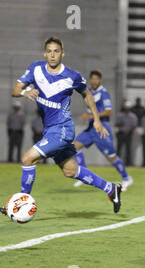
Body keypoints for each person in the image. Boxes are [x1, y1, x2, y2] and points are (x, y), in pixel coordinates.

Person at [2, 36, 121, 214]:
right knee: (70, 170)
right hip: (49, 130)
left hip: (63, 129)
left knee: (27, 159)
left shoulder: (72, 76)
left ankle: (21, 204)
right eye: (49, 51)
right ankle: (111, 188)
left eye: (56, 51)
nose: (52, 55)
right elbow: (15, 90)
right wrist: (25, 92)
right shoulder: (35, 69)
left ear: (62, 54)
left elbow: (87, 94)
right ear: (44, 53)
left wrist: (96, 119)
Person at [73, 70, 133, 191]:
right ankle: (83, 175)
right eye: (92, 79)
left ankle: (127, 178)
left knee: (111, 157)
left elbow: (109, 111)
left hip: (101, 128)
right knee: (74, 147)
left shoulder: (103, 93)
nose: (94, 81)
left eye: (96, 79)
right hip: (91, 128)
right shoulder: (88, 92)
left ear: (100, 80)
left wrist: (90, 116)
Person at [115, 100, 138, 166]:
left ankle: (128, 163)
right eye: (126, 108)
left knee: (128, 149)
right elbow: (116, 124)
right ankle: (117, 163)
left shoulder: (133, 116)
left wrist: (128, 131)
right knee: (119, 149)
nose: (127, 110)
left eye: (128, 109)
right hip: (121, 133)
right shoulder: (120, 115)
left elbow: (134, 126)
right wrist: (120, 125)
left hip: (128, 134)